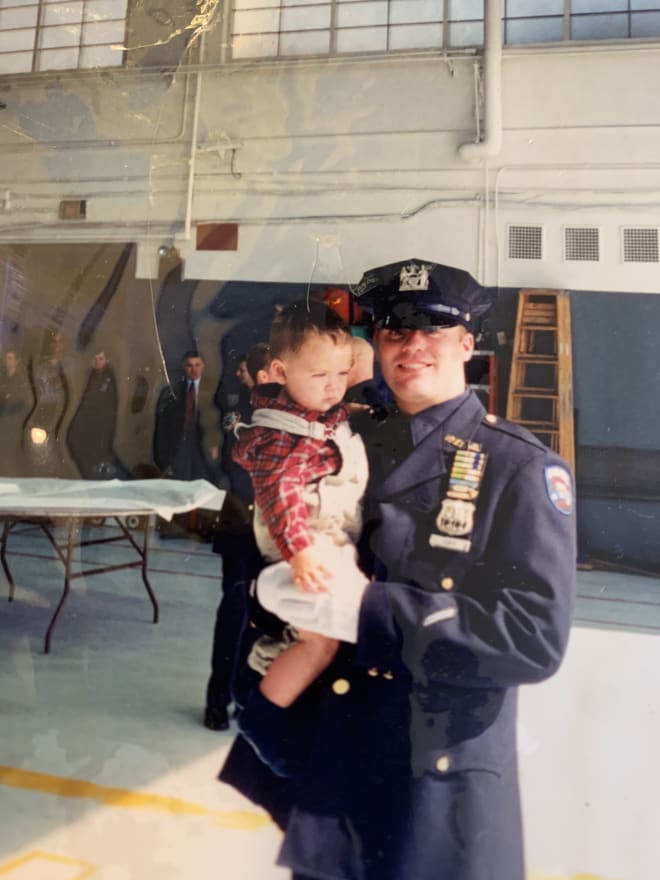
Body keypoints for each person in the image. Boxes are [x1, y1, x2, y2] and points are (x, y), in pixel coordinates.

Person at [220, 259, 577, 880]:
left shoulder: (517, 467)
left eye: (434, 328)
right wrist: (266, 710)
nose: (413, 345)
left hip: (434, 798)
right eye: (394, 329)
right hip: (335, 779)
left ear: (467, 343)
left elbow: (533, 638)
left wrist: (371, 612)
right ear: (376, 346)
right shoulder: (344, 443)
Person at [231, 300, 369, 773]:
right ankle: (263, 720)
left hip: (328, 545)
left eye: (341, 374)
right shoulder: (279, 435)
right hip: (301, 549)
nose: (333, 387)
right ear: (278, 371)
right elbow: (280, 494)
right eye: (319, 376)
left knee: (324, 639)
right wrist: (300, 552)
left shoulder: (320, 413)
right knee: (317, 643)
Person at [204, 342, 273, 732]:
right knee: (234, 612)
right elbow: (238, 470)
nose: (240, 377)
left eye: (245, 371)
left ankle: (247, 698)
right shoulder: (241, 416)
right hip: (243, 529)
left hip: (271, 536)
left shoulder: (288, 415)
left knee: (264, 619)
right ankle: (218, 700)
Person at [153, 349, 221, 536]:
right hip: (181, 443)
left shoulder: (212, 390)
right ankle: (174, 529)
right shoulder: (174, 391)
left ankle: (204, 530)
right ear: (184, 367)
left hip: (202, 445)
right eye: (190, 365)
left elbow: (217, 419)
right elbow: (165, 425)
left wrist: (214, 444)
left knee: (203, 485)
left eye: (197, 365)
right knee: (178, 485)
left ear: (203, 366)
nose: (194, 370)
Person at [67, 349, 124, 479]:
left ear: (107, 360)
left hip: (101, 424)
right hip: (86, 423)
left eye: (101, 358)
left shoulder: (109, 378)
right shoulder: (88, 376)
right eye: (96, 358)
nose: (98, 361)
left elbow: (109, 404)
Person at [0, 349, 33, 476]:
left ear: (16, 361)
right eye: (6, 358)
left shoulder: (21, 380)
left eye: (10, 358)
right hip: (2, 422)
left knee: (11, 453)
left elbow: (27, 401)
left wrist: (10, 400)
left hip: (14, 423)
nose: (7, 361)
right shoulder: (2, 378)